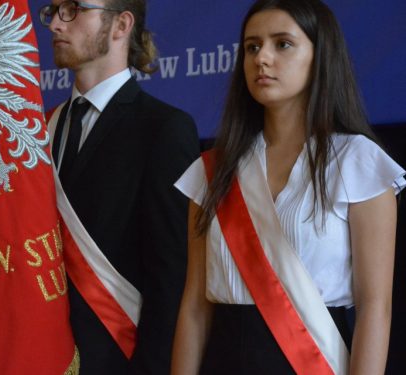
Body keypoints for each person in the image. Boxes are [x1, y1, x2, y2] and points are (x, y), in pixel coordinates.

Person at [171, 0, 405, 373]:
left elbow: (376, 307)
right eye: (252, 46)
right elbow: (195, 306)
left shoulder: (358, 161)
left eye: (282, 44)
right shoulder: (212, 171)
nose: (262, 58)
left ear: (320, 56)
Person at [39, 0, 199, 373]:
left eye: (75, 9)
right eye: (55, 10)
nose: (55, 25)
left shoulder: (164, 129)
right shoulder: (40, 130)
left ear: (121, 25)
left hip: (121, 359)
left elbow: (170, 277)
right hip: (44, 354)